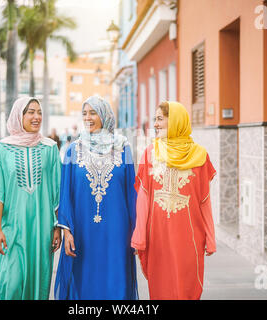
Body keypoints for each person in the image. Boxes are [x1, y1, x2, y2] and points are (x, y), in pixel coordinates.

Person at [54, 95, 138, 300]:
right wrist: (67, 231)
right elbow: (66, 193)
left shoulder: (123, 148)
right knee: (84, 282)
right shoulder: (73, 150)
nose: (88, 118)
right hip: (83, 233)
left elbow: (132, 193)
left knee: (116, 282)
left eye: (93, 113)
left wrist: (137, 233)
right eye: (84, 113)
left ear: (104, 115)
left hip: (118, 234)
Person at [131, 101, 216, 300]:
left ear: (176, 121)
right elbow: (143, 198)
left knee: (187, 288)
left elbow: (204, 200)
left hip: (189, 237)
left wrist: (210, 238)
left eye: (160, 119)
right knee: (161, 289)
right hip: (158, 236)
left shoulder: (200, 156)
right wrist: (139, 236)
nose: (156, 124)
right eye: (155, 119)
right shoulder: (150, 153)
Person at [0, 97, 62, 300]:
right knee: (12, 282)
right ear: (19, 115)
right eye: (30, 112)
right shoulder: (2, 150)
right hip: (13, 229)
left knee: (40, 281)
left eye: (39, 112)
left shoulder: (50, 148)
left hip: (42, 228)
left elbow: (56, 192)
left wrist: (56, 228)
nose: (36, 117)